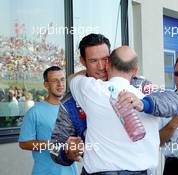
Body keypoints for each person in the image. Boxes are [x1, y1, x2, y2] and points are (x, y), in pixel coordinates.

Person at [70, 46, 178, 175]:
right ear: (134, 71)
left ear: (108, 64)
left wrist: (143, 103)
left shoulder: (91, 89)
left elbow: (73, 79)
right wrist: (145, 104)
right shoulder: (146, 95)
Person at [50, 34, 152, 165]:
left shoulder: (138, 85)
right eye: (93, 61)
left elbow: (167, 103)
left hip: (139, 170)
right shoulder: (70, 101)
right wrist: (67, 152)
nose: (101, 66)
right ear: (82, 61)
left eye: (105, 59)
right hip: (98, 170)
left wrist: (145, 104)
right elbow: (53, 149)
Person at [117, 54, 178, 175]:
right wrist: (173, 124)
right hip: (173, 166)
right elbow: (157, 141)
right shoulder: (163, 101)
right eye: (177, 74)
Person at [18, 66, 78, 175]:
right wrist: (49, 144)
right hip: (45, 171)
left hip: (71, 172)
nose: (60, 84)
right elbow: (23, 144)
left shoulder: (72, 109)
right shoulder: (34, 112)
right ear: (46, 84)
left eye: (62, 79)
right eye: (55, 80)